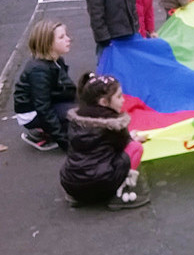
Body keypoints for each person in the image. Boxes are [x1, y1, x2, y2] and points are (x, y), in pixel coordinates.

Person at [60, 73, 149, 210]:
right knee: (135, 148)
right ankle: (121, 192)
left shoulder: (76, 121)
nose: (123, 100)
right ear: (103, 102)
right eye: (119, 97)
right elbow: (124, 145)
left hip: (71, 184)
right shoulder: (113, 124)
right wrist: (131, 138)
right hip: (102, 184)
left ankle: (78, 198)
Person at [13, 20, 76, 151]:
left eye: (66, 35)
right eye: (61, 37)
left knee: (85, 107)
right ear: (48, 43)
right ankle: (40, 133)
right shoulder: (39, 70)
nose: (68, 39)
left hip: (44, 103)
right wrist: (65, 143)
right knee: (76, 114)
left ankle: (47, 130)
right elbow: (43, 109)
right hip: (31, 114)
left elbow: (67, 88)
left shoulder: (56, 60)